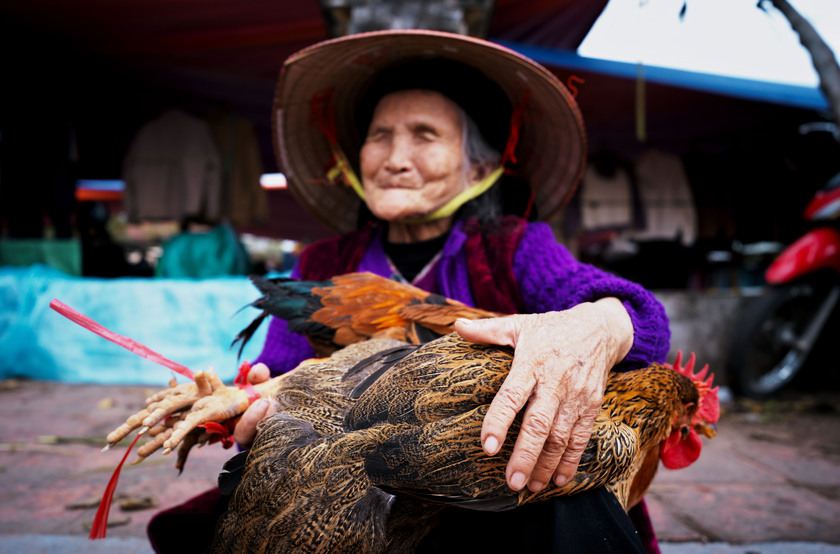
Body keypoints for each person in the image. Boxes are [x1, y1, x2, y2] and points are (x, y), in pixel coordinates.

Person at [149, 30, 669, 554]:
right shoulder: (322, 263)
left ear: (481, 168)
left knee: (556, 478)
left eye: (424, 135)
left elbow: (644, 321)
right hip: (356, 482)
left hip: (483, 485)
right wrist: (257, 402)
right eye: (379, 136)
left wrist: (594, 326)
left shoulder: (515, 247)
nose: (395, 157)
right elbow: (279, 367)